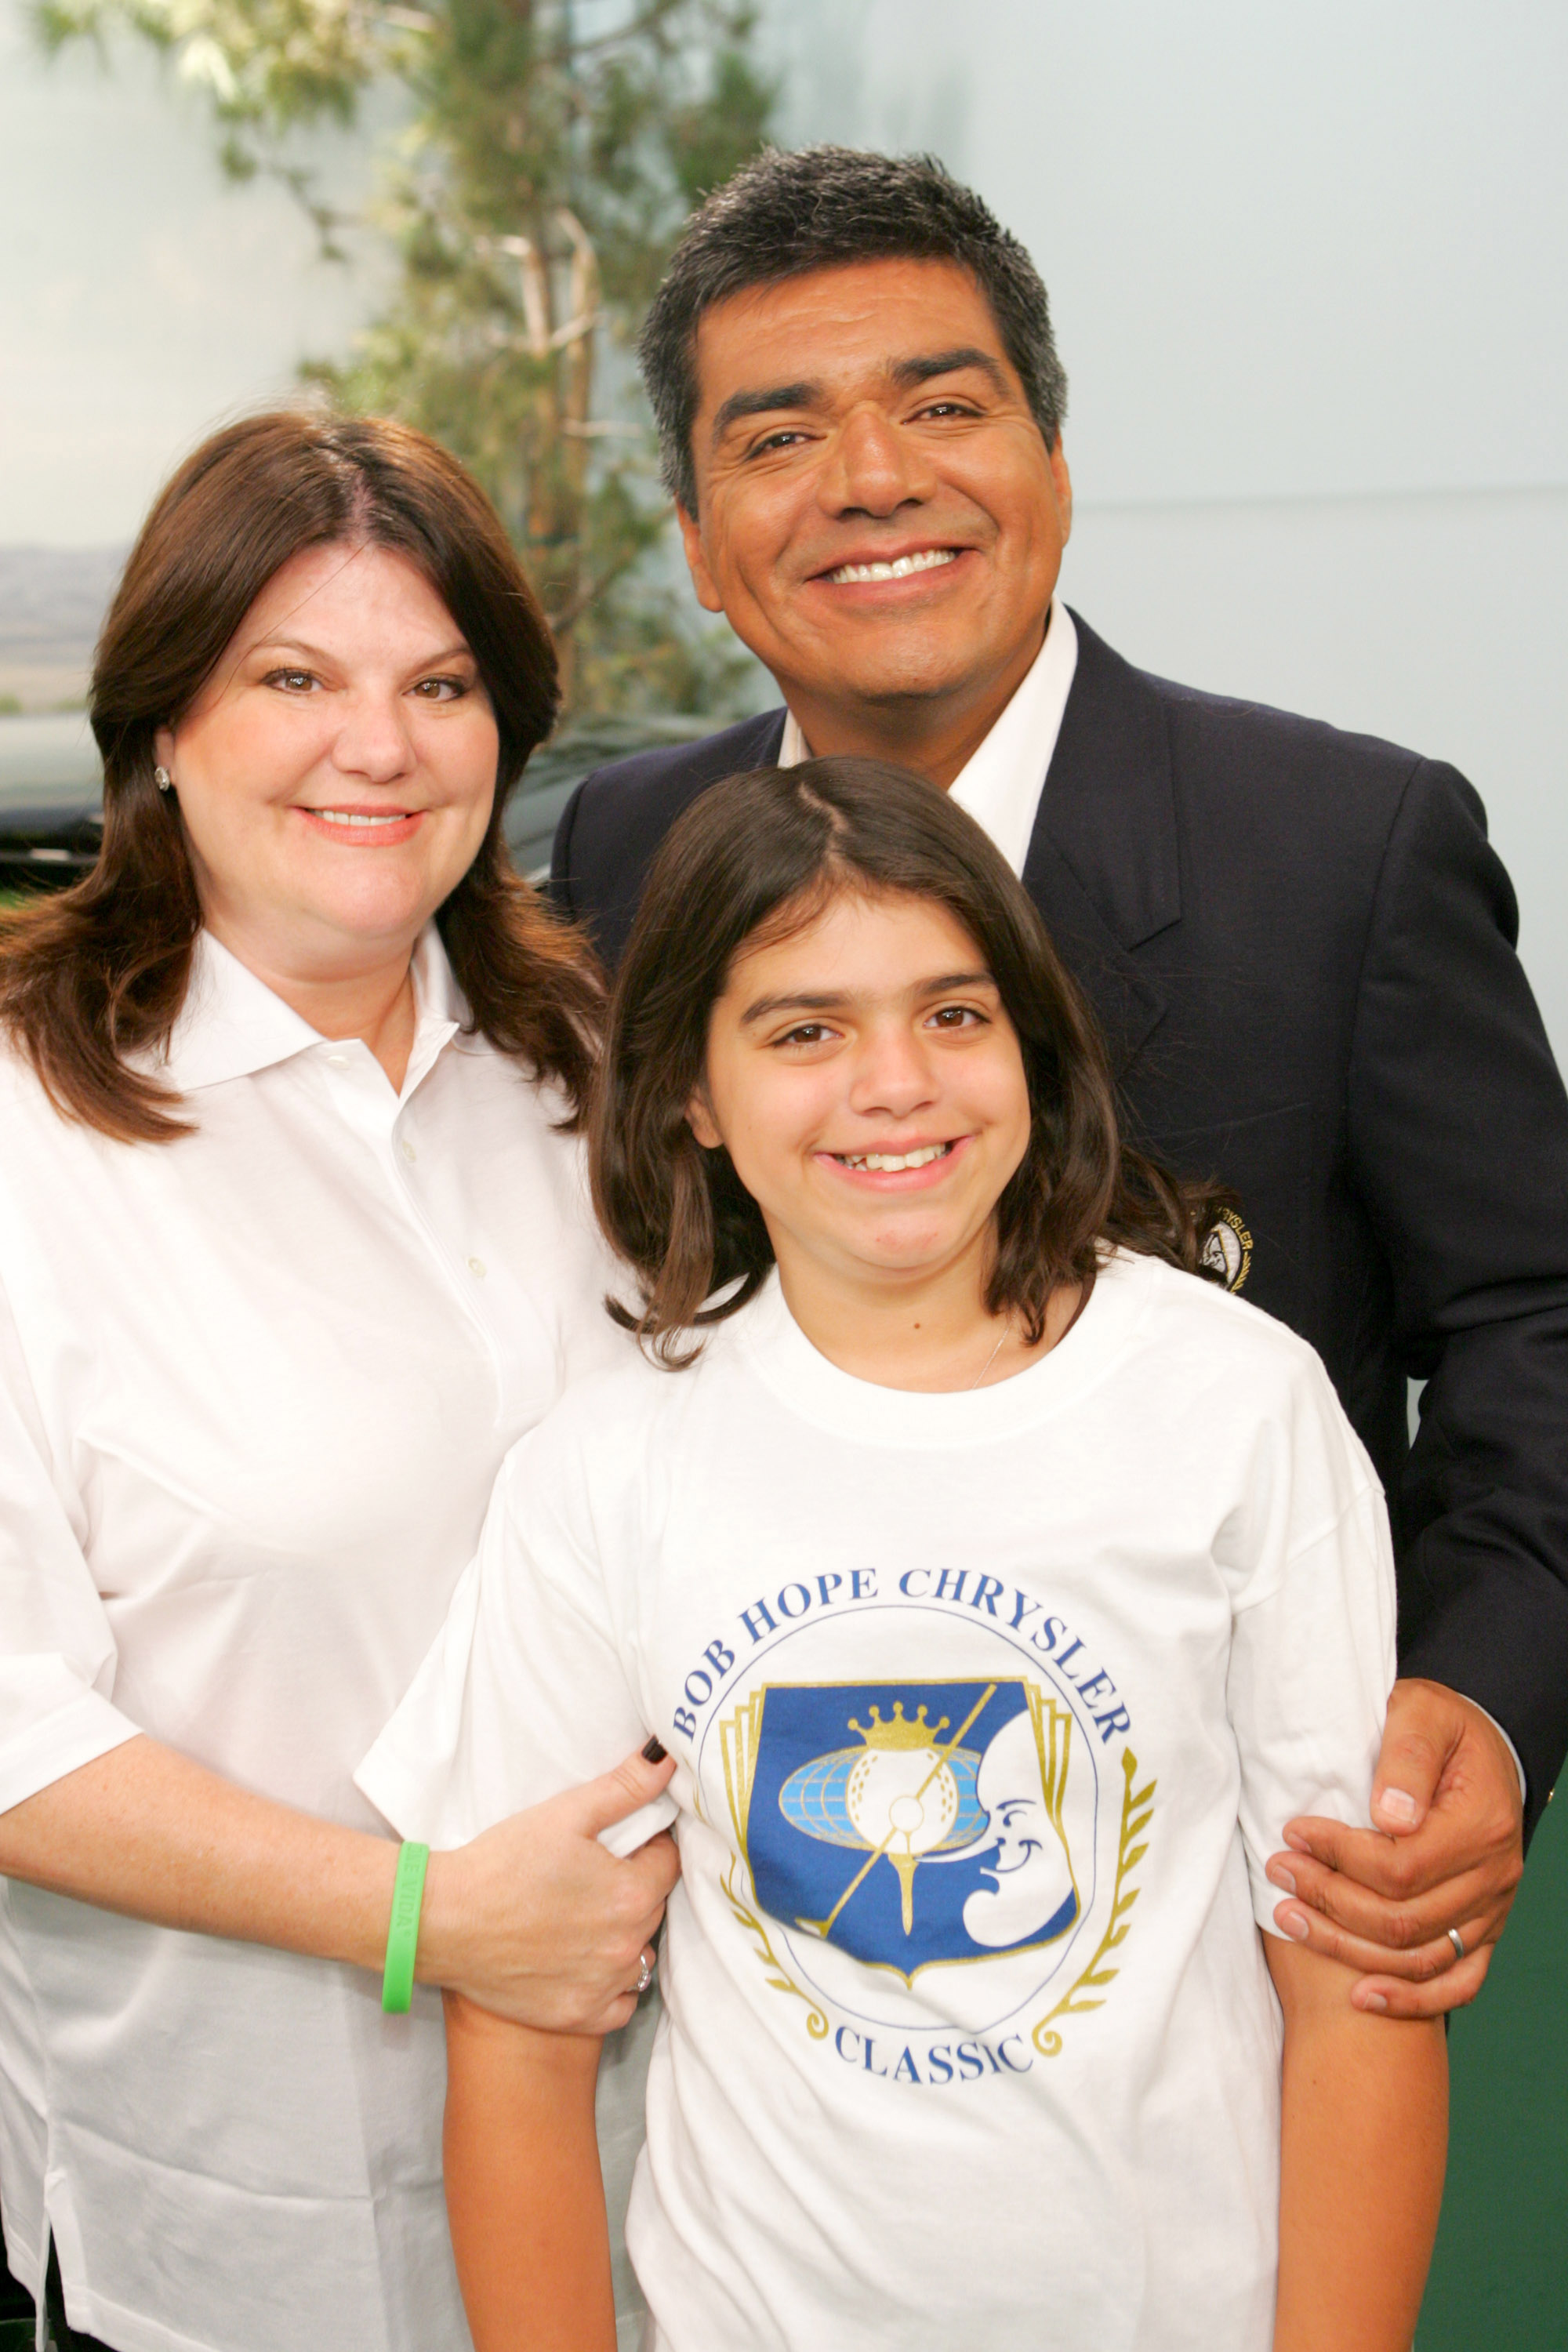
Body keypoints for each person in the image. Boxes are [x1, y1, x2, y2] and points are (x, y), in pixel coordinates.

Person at [549, 144, 1568, 2016]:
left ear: (1055, 468)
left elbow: (1534, 1318)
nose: (872, 478)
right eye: (776, 440)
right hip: (739, 1936)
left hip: (1229, 1929)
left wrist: (1484, 1699)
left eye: (943, 404)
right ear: (695, 542)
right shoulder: (620, 854)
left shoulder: (1340, 847)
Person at [361, 758, 1449, 2352]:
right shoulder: (607, 1467)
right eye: (804, 1030)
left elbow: (1354, 1980)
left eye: (952, 1014)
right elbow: (517, 2030)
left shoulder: (1235, 1406)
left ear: (1030, 1042)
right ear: (691, 1094)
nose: (895, 1082)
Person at [0, 411, 677, 2352]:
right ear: (164, 725)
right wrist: (423, 1919)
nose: (376, 746)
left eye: (439, 684)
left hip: (683, 2178)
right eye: (293, 676)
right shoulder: (26, 1138)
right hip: (252, 2211)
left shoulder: (607, 1077)